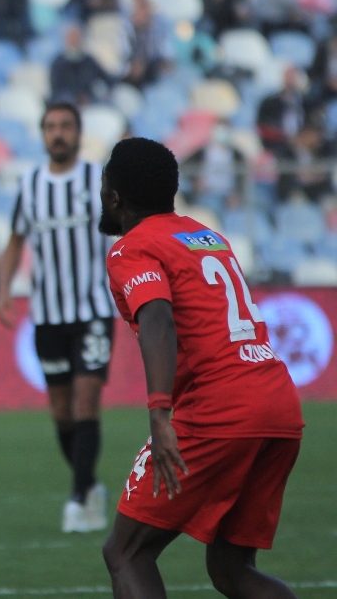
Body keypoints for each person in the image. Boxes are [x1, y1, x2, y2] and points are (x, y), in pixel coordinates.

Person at [99, 138, 304, 599]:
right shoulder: (204, 235)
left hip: (222, 407)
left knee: (126, 552)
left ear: (114, 197)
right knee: (232, 569)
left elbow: (157, 317)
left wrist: (159, 413)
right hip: (278, 403)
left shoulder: (131, 248)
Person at [0, 102, 114, 533]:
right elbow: (13, 241)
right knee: (61, 412)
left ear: (79, 132)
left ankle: (79, 497)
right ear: (42, 134)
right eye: (50, 127)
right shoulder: (29, 186)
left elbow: (126, 231)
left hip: (94, 310)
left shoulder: (98, 180)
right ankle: (90, 482)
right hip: (47, 314)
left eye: (65, 126)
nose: (58, 133)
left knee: (87, 398)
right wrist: (4, 290)